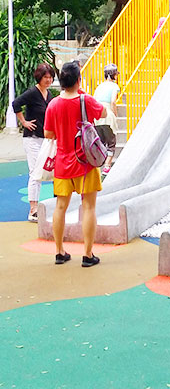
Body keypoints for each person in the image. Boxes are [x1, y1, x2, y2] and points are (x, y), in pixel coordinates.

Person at [43, 60, 108, 268]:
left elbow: (48, 133)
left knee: (60, 207)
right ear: (78, 80)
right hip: (85, 163)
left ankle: (59, 251)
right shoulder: (85, 100)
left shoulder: (53, 104)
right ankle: (87, 255)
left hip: (62, 164)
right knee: (88, 206)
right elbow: (104, 113)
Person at [12, 63, 55, 221]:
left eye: (50, 77)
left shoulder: (49, 94)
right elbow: (16, 103)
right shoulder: (32, 92)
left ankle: (53, 205)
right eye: (45, 77)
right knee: (35, 173)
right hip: (32, 138)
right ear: (39, 77)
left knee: (51, 171)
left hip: (46, 139)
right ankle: (33, 209)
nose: (48, 80)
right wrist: (24, 122)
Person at [93, 64, 119, 173]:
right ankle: (107, 166)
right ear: (114, 75)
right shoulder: (114, 86)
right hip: (108, 115)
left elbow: (94, 101)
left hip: (97, 117)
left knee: (101, 143)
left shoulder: (99, 87)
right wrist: (115, 114)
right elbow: (113, 102)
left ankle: (98, 167)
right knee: (111, 143)